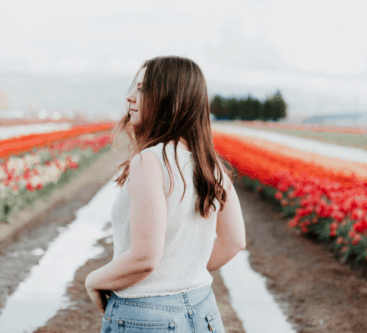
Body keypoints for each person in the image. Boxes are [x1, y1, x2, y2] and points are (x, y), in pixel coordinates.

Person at [85, 56, 246, 333]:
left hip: (146, 315)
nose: (130, 97)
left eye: (142, 89)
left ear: (170, 99)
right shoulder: (210, 163)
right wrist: (182, 270)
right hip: (203, 311)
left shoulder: (150, 162)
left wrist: (93, 280)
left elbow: (144, 258)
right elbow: (235, 241)